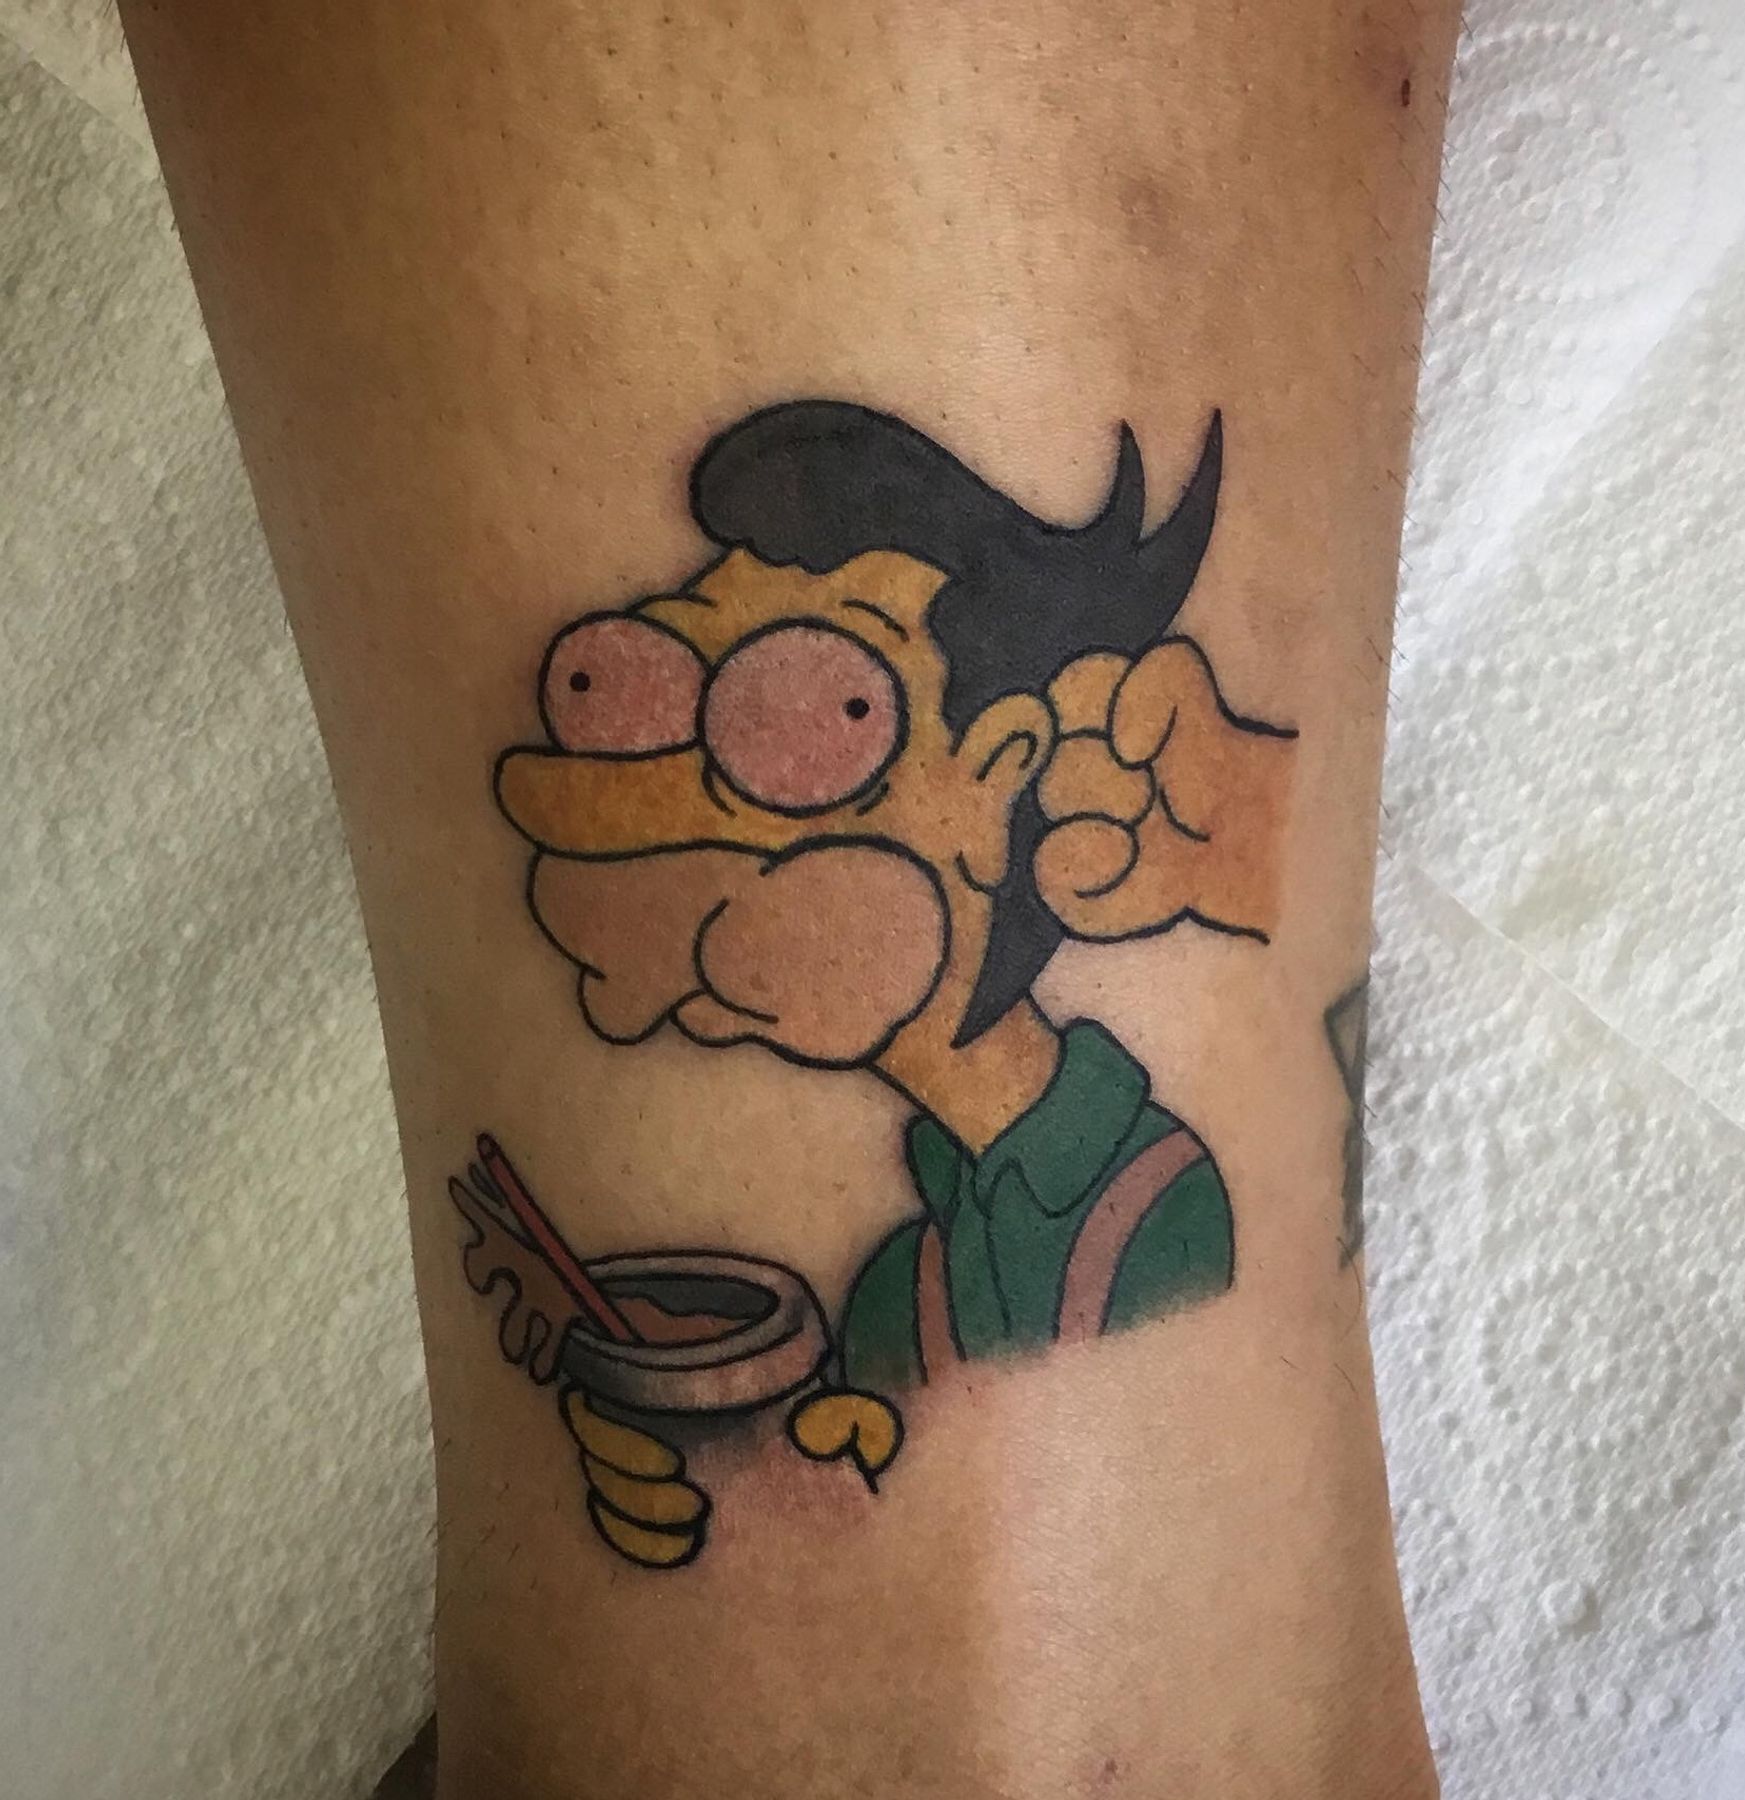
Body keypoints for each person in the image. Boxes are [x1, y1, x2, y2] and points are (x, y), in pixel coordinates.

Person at [118, 1, 1459, 1793]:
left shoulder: (1150, 1211)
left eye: (807, 717)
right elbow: (850, 1448)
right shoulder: (902, 1280)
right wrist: (695, 1497)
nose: (679, 788)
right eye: (635, 694)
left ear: (1006, 778)